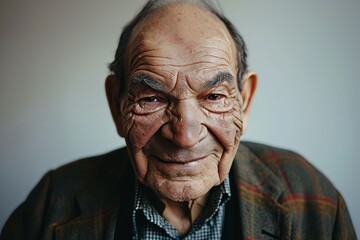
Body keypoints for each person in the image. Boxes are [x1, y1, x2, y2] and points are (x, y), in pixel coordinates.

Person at [1, 0, 356, 239]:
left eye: (214, 96)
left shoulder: (310, 198)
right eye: (153, 98)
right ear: (116, 103)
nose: (184, 135)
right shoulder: (52, 205)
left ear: (244, 102)